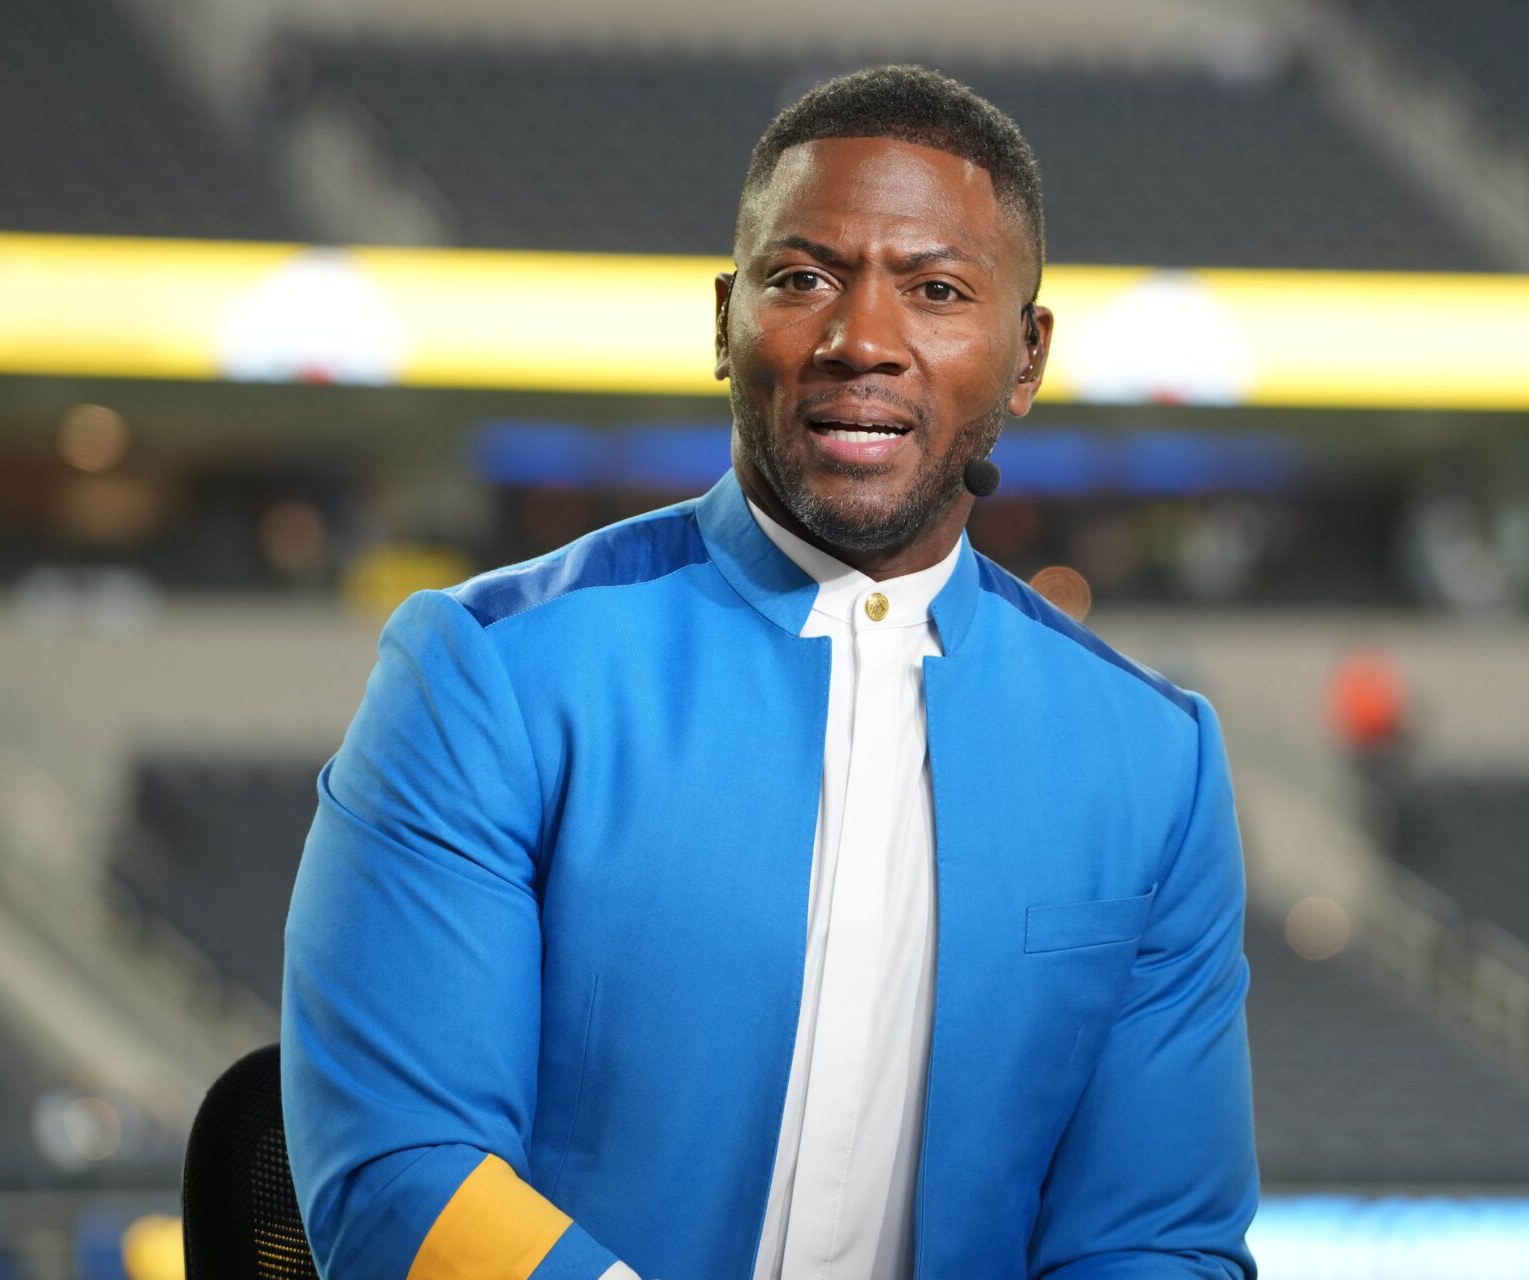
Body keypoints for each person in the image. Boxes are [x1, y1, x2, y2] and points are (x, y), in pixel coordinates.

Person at [282, 65, 1258, 1280]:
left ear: (1024, 358)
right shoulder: (490, 673)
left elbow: (1156, 1239)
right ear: (723, 322)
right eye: (801, 279)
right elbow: (403, 1174)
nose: (862, 341)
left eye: (939, 290)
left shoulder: (1153, 758)